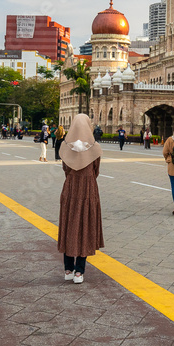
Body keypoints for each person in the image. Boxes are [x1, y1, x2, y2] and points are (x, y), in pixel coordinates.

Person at [57, 114, 105, 284]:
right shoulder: (95, 147)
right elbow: (96, 171)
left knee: (70, 225)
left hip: (70, 188)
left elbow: (65, 169)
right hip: (88, 189)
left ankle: (68, 269)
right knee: (85, 226)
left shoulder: (65, 147)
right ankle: (80, 272)